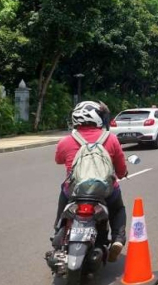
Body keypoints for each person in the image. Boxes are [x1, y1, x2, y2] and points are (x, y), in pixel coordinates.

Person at [53, 101, 128, 263]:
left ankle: (59, 228)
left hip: (74, 191)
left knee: (64, 190)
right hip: (105, 191)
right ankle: (117, 239)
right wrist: (122, 174)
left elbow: (58, 160)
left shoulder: (66, 141)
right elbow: (121, 169)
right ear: (97, 118)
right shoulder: (111, 139)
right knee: (118, 209)